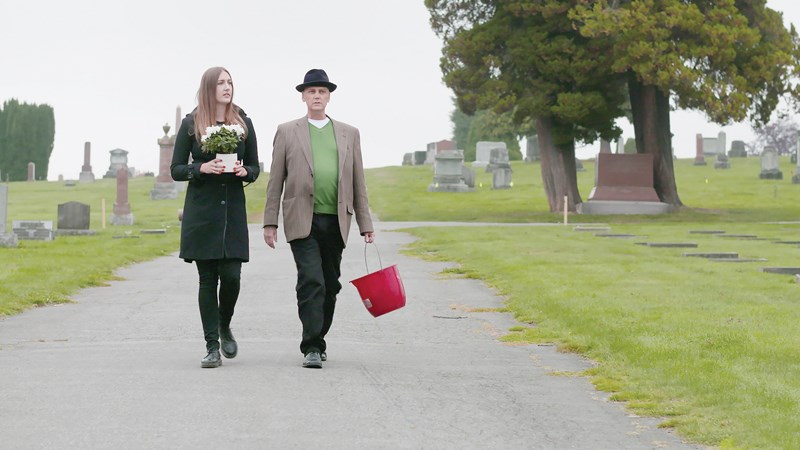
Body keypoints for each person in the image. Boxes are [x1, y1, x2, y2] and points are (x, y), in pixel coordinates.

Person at [263, 68, 374, 369]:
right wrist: (270, 221)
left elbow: (357, 180)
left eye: (322, 91)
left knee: (330, 284)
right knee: (311, 281)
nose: (316, 96)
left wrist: (366, 224)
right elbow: (276, 179)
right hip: (302, 219)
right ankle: (312, 345)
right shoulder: (287, 131)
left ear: (328, 97)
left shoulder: (349, 133)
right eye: (311, 91)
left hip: (336, 219)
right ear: (303, 96)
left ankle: (318, 335)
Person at [171, 66, 260, 368]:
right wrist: (201, 168)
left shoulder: (244, 122)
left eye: (230, 82)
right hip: (202, 212)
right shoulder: (191, 124)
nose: (227, 87)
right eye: (221, 83)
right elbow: (176, 169)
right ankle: (211, 346)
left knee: (232, 278)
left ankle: (224, 324)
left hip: (232, 210)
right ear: (209, 88)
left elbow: (255, 166)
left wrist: (245, 171)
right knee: (207, 279)